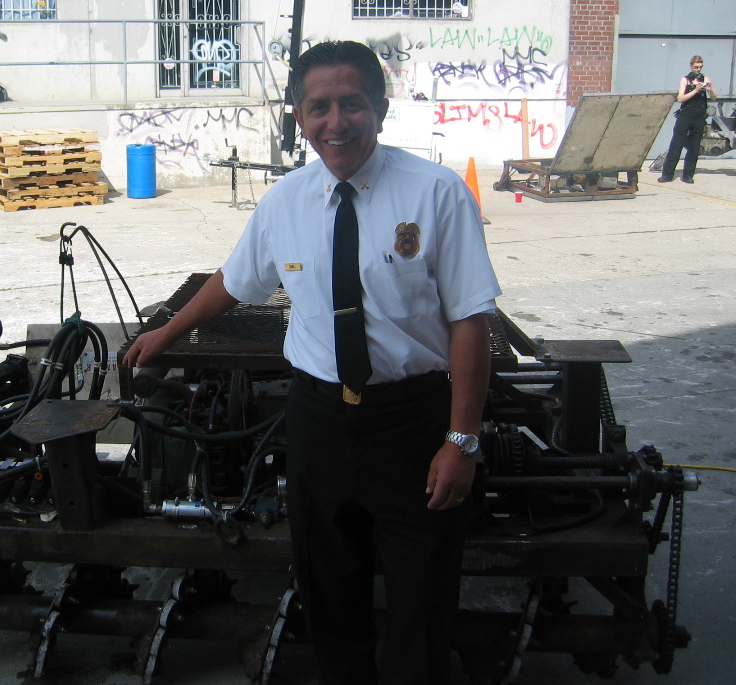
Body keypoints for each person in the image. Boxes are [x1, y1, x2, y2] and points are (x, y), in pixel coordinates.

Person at [122, 40, 501, 685]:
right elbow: (235, 281)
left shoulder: (436, 194)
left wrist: (460, 442)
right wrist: (166, 331)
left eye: (351, 104)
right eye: (318, 106)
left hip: (412, 421)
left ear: (379, 110)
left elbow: (471, 321)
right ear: (299, 116)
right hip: (320, 418)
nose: (336, 122)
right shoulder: (284, 203)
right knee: (329, 586)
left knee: (421, 592)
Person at [658, 55, 716, 184]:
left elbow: (714, 97)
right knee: (676, 145)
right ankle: (667, 175)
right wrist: (695, 90)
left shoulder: (704, 78)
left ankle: (688, 175)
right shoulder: (685, 80)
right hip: (685, 116)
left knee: (694, 147)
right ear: (691, 66)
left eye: (700, 67)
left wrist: (710, 89)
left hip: (699, 117)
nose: (698, 69)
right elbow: (680, 99)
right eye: (696, 67)